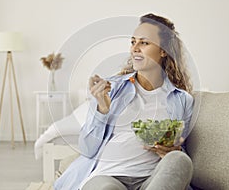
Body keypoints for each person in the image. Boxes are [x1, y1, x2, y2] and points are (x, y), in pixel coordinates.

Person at [54, 13, 194, 190]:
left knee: (180, 160)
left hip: (152, 180)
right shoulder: (111, 89)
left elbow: (181, 149)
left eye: (144, 42)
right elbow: (87, 149)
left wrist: (173, 151)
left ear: (163, 50)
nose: (135, 48)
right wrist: (102, 110)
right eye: (133, 42)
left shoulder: (182, 100)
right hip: (108, 177)